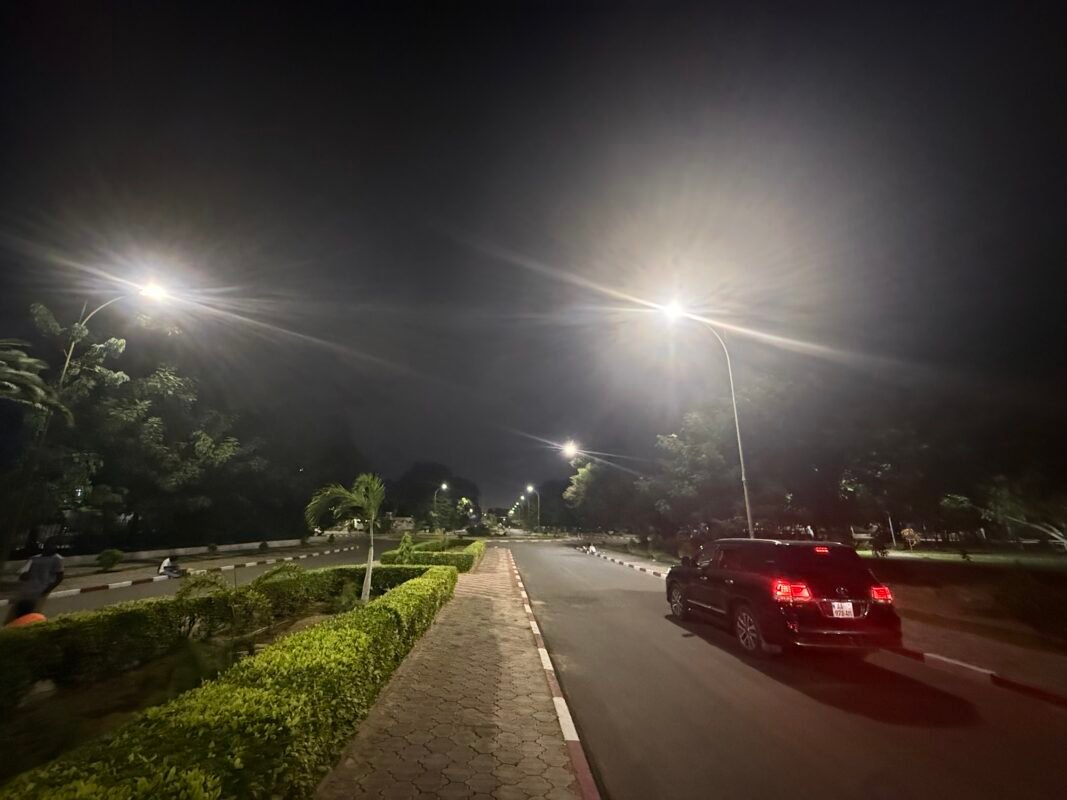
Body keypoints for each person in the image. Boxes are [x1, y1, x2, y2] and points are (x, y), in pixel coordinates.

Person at [5, 544, 64, 625]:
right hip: (27, 591)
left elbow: (60, 577)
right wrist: (24, 576)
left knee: (32, 615)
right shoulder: (34, 558)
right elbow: (22, 575)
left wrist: (48, 589)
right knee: (15, 614)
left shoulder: (56, 559)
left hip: (40, 591)